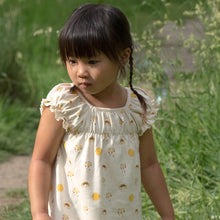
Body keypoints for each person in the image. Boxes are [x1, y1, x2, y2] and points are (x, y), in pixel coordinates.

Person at [29, 3, 175, 220]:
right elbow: (41, 160)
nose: (80, 72)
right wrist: (40, 212)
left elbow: (150, 165)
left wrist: (168, 216)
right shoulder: (66, 104)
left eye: (92, 61)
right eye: (72, 61)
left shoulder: (136, 108)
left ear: (123, 56)